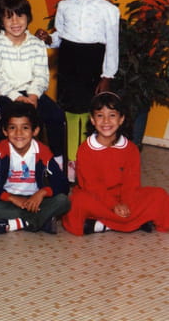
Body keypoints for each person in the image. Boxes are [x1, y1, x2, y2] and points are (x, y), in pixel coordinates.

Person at [35, 0, 120, 180]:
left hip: (93, 65)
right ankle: (71, 162)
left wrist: (107, 76)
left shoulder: (109, 10)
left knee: (92, 114)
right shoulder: (64, 6)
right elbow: (60, 37)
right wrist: (48, 38)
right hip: (69, 64)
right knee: (69, 114)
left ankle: (89, 159)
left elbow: (112, 45)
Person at [63, 93, 169, 235]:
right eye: (100, 116)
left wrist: (125, 204)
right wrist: (113, 205)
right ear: (92, 120)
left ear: (121, 119)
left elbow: (131, 183)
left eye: (112, 115)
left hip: (124, 198)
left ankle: (102, 225)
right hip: (97, 198)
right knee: (77, 201)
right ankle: (133, 222)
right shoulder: (85, 149)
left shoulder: (131, 149)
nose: (106, 121)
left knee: (159, 195)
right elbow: (92, 186)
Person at [0, 0, 65, 165]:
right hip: (3, 93)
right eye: (9, 17)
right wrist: (16, 97)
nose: (15, 22)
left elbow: (41, 75)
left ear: (28, 17)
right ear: (1, 21)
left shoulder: (36, 44)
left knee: (56, 115)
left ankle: (57, 162)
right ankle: (7, 163)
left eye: (20, 16)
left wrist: (33, 95)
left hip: (30, 92)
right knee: (10, 121)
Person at [0, 102, 70, 234]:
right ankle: (39, 222)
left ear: (35, 131)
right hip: (9, 200)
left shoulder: (42, 151)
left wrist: (42, 193)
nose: (18, 133)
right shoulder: (0, 151)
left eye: (25, 127)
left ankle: (13, 223)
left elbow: (63, 184)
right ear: (5, 131)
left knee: (63, 201)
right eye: (12, 127)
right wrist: (11, 197)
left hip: (35, 202)